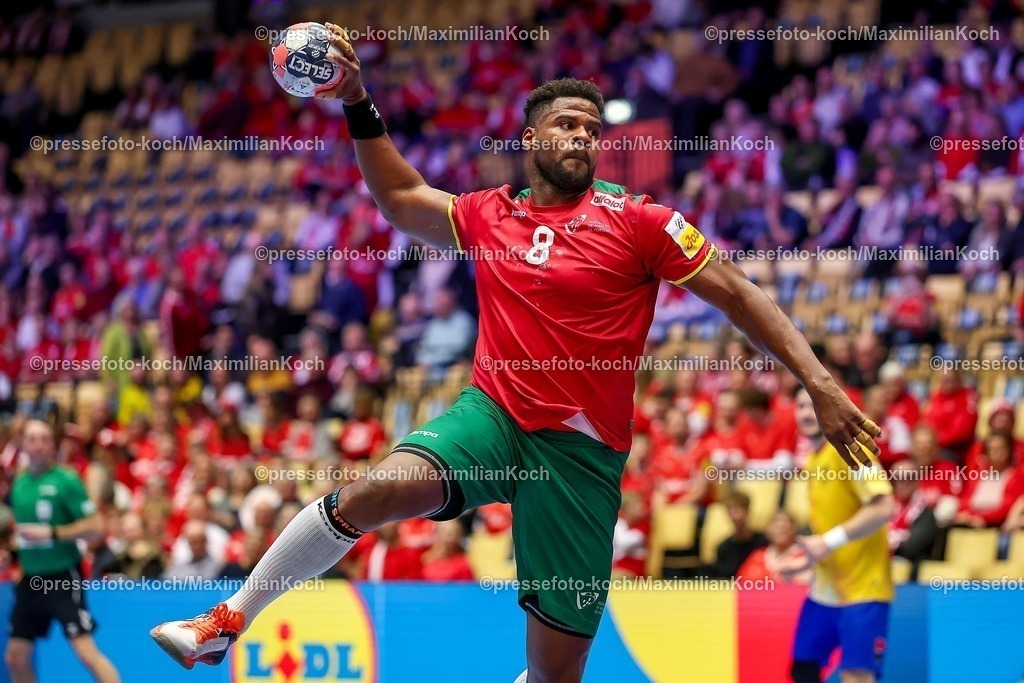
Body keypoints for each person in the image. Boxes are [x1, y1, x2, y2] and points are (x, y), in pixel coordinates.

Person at [151, 28, 882, 682]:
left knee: (556, 671)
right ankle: (227, 619)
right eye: (566, 124)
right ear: (531, 139)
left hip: (582, 458)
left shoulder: (642, 222)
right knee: (375, 489)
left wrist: (818, 383)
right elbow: (401, 196)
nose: (581, 137)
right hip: (493, 416)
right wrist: (357, 100)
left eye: (592, 130)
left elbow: (741, 294)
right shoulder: (489, 214)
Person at [779, 390, 894, 683]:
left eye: (813, 405)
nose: (806, 413)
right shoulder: (814, 459)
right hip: (825, 590)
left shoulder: (851, 448)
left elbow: (884, 506)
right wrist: (805, 561)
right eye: (801, 406)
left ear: (830, 407)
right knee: (803, 668)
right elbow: (832, 526)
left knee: (856, 675)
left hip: (863, 589)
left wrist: (827, 542)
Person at [6, 419, 121, 683]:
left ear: (52, 445)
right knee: (15, 657)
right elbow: (21, 533)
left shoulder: (66, 480)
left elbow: (96, 526)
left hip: (62, 578)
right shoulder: (20, 483)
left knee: (85, 653)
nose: (38, 445)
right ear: (23, 443)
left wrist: (54, 533)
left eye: (45, 439)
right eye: (32, 439)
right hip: (30, 580)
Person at [712, 491, 768, 578]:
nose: (736, 516)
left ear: (747, 511)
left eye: (739, 510)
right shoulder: (723, 548)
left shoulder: (764, 541)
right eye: (732, 511)